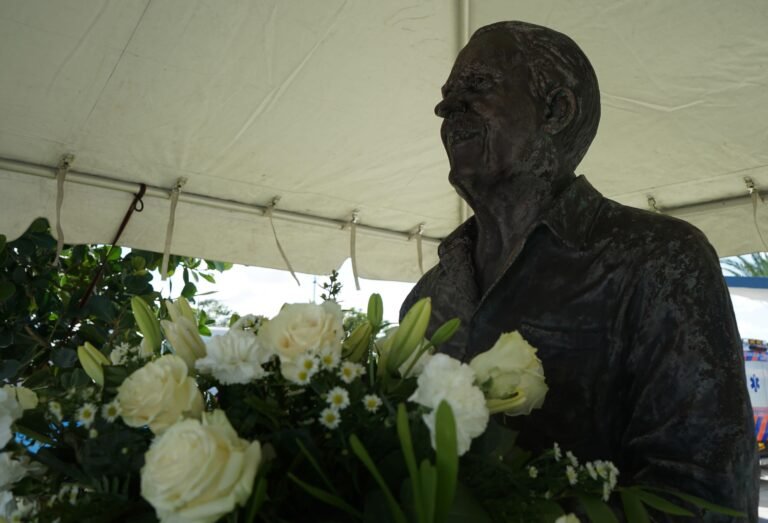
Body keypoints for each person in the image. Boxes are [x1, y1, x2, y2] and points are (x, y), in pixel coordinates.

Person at [401, 21, 758, 521]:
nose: (446, 107)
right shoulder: (426, 297)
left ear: (557, 111)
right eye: (447, 94)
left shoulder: (660, 260)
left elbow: (706, 498)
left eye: (478, 86)